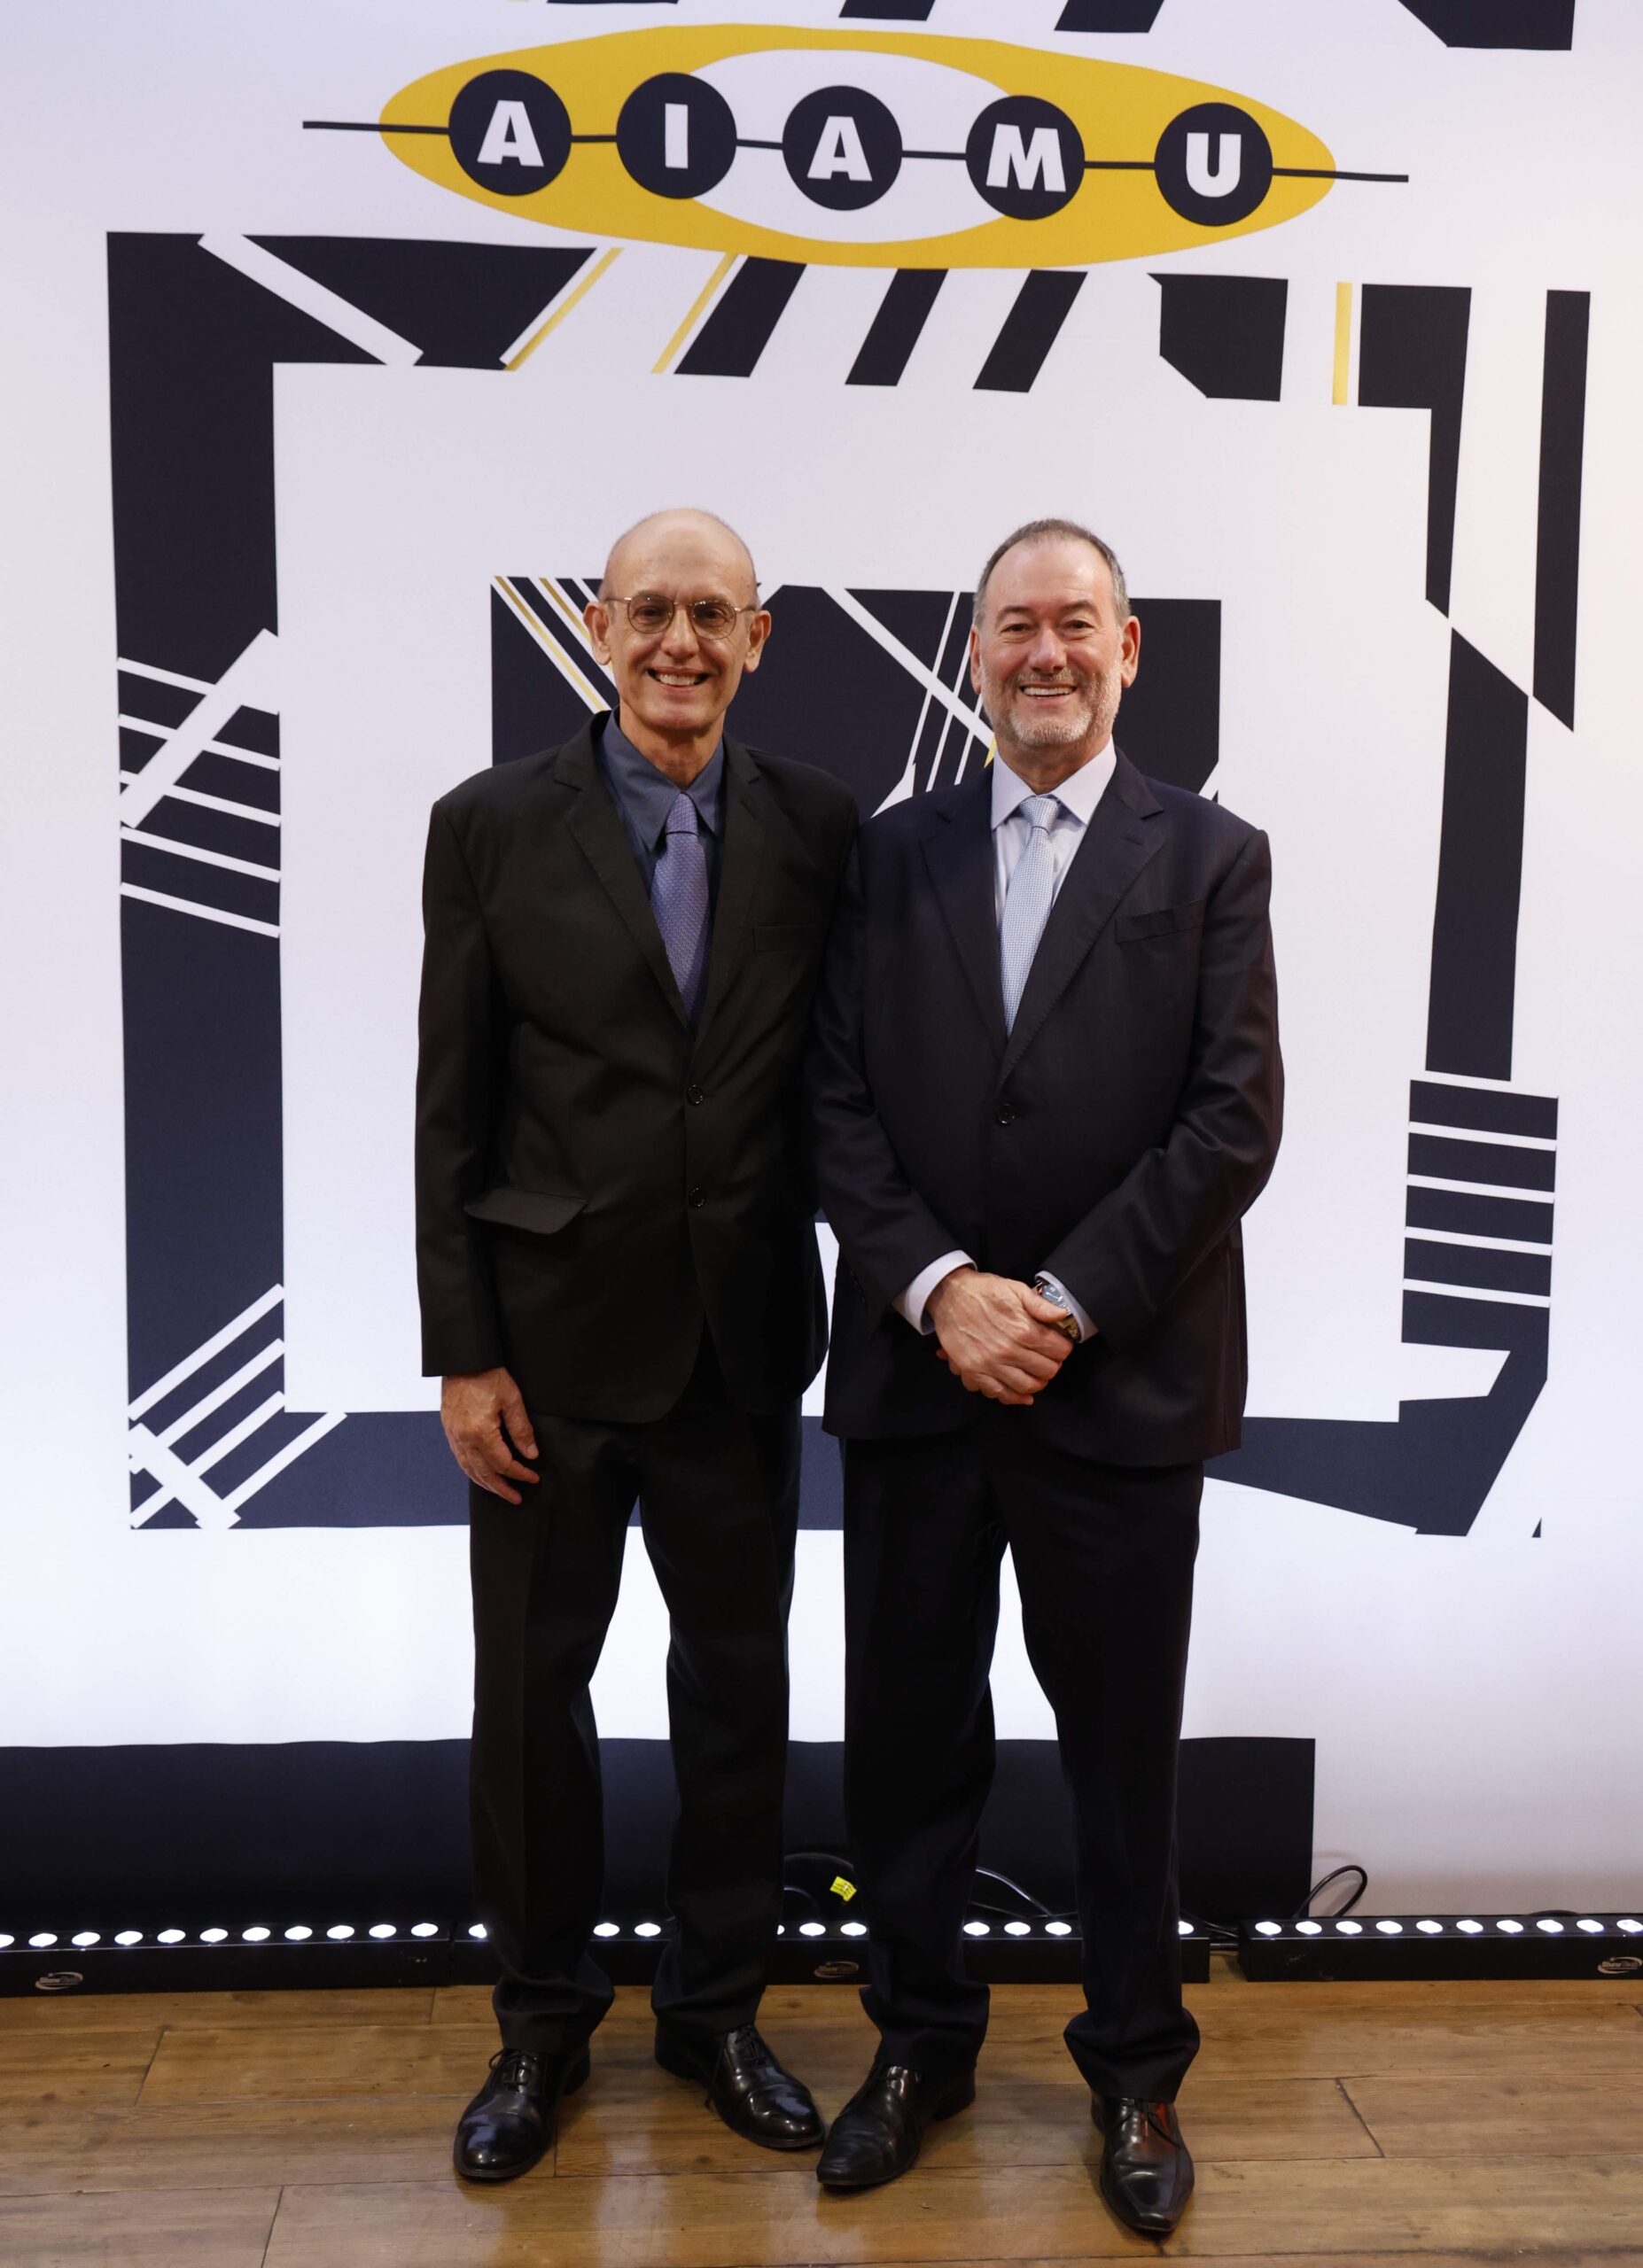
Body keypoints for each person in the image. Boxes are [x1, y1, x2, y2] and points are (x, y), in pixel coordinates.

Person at [807, 517, 1281, 2239]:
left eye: (1075, 623)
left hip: (1117, 1391)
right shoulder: (887, 854)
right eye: (1015, 625)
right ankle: (918, 2048)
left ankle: (1136, 2071)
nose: (1045, 654)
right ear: (975, 651)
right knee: (906, 1748)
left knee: (1120, 1758)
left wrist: (1059, 1307)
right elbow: (831, 1103)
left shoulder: (1212, 856)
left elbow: (1231, 1123)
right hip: (919, 1382)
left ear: (1128, 647)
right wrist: (944, 1292)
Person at [416, 507, 857, 2183]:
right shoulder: (486, 824)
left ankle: (714, 2013)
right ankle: (540, 2027)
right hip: (543, 1356)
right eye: (650, 611)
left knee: (738, 1696)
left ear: (759, 638)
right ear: (598, 626)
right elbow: (449, 1103)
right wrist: (462, 1348)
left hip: (741, 1344)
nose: (680, 642)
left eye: (711, 615)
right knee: (531, 1703)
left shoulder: (824, 827)